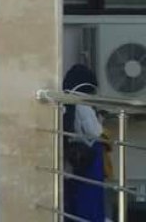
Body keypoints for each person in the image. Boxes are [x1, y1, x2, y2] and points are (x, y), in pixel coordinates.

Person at [62, 64, 104, 222]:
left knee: (75, 196)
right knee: (91, 195)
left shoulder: (65, 101)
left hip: (73, 157)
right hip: (89, 154)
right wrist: (100, 120)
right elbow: (94, 132)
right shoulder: (82, 104)